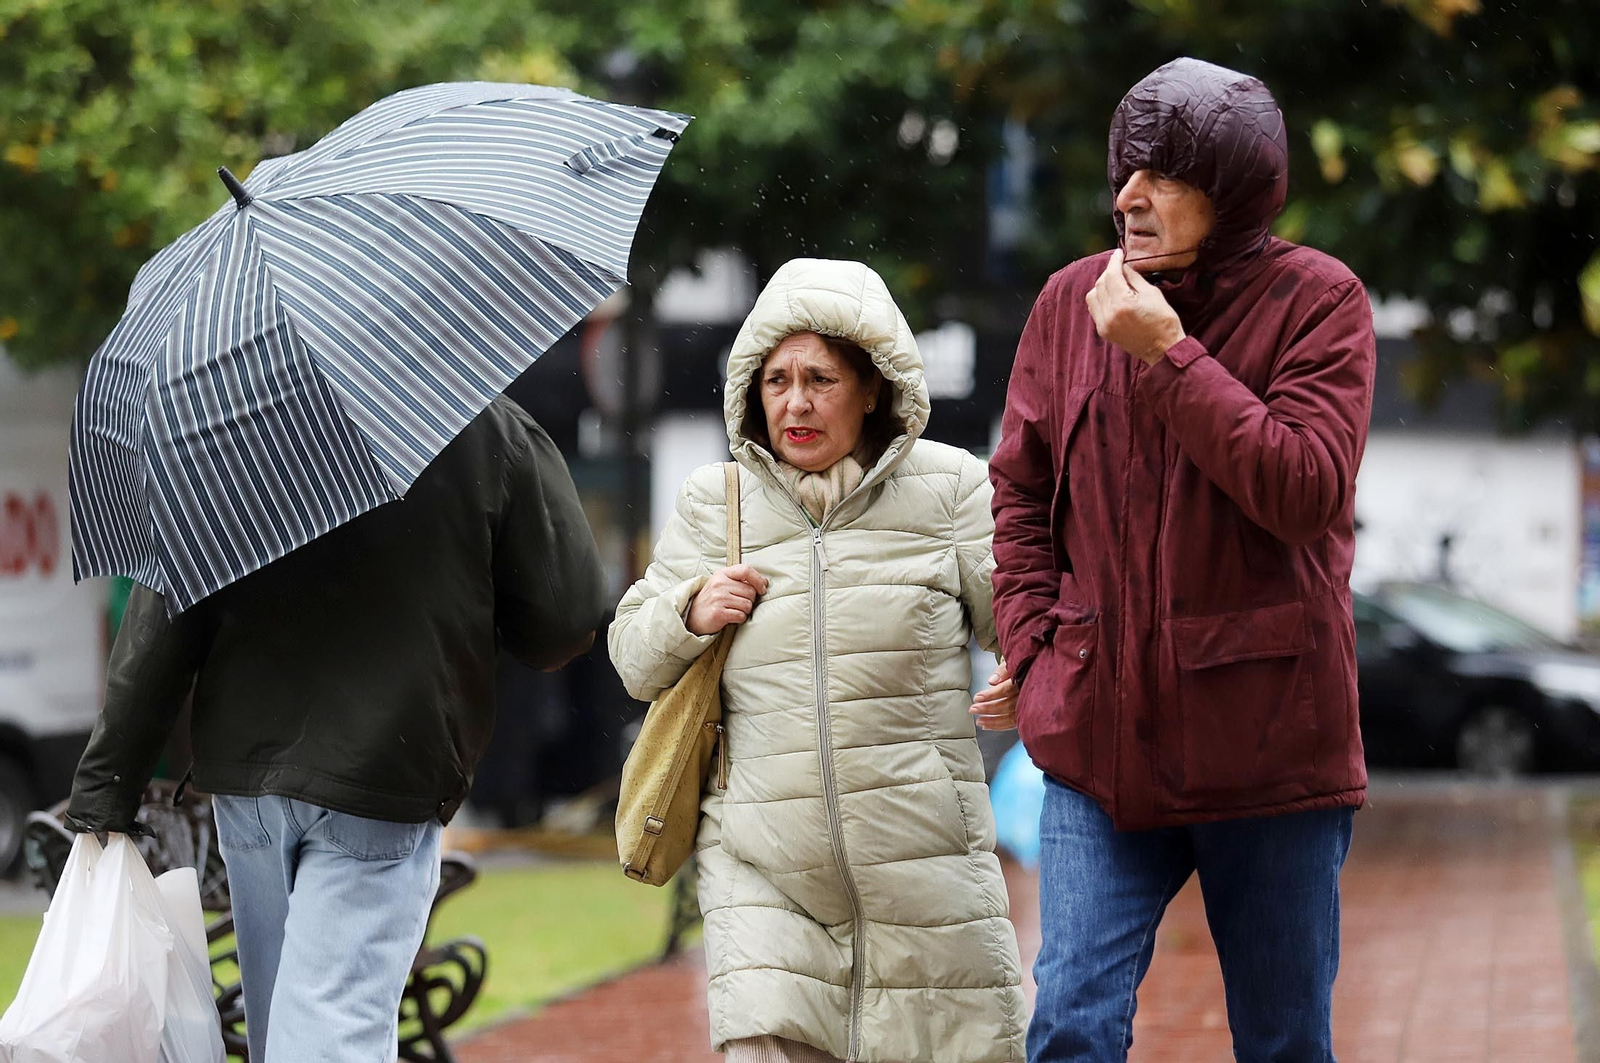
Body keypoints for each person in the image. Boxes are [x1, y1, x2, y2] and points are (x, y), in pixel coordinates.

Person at [989, 58, 1377, 1062]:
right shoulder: (1069, 301)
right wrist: (1035, 652)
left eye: (1161, 176)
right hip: (1099, 744)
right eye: (1126, 171)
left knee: (1283, 1041)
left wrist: (1166, 353)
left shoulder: (1320, 302)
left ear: (1234, 189)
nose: (1127, 197)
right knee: (1069, 1020)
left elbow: (1303, 490)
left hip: (1272, 749)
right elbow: (1022, 491)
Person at [66, 396, 606, 1063]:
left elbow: (166, 613)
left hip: (250, 779)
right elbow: (567, 616)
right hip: (386, 766)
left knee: (284, 1034)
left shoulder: (230, 418)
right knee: (329, 1030)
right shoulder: (481, 420)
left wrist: (106, 786)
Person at [609, 258, 1027, 1063]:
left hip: (928, 872)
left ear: (873, 387)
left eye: (820, 379)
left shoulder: (951, 488)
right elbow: (631, 653)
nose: (794, 402)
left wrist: (1026, 677)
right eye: (775, 380)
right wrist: (689, 612)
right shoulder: (717, 500)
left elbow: (1022, 621)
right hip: (763, 870)